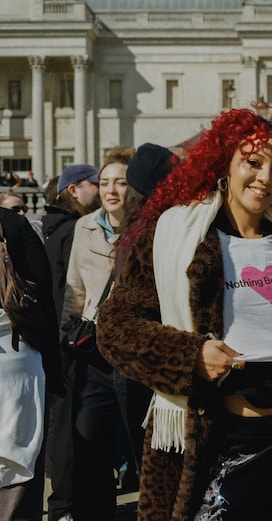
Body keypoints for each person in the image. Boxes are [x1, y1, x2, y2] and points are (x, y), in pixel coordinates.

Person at [96, 105, 272, 521]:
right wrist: (189, 357)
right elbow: (114, 328)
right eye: (253, 162)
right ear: (225, 162)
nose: (265, 178)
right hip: (220, 444)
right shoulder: (175, 233)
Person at [61, 146, 149, 520]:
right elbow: (74, 291)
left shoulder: (150, 229)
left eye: (121, 182)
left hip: (137, 355)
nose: (111, 189)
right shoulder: (85, 226)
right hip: (94, 352)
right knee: (90, 444)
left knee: (145, 448)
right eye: (105, 182)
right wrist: (70, 336)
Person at [41, 164, 100, 521]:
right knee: (67, 430)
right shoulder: (72, 231)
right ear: (74, 190)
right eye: (96, 184)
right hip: (69, 344)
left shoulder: (51, 228)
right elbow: (65, 293)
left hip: (58, 343)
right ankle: (64, 506)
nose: (102, 191)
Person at [0, 206, 62, 521]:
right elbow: (44, 299)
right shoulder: (12, 224)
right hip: (19, 358)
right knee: (20, 458)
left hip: (17, 358)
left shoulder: (12, 225)